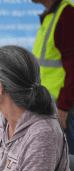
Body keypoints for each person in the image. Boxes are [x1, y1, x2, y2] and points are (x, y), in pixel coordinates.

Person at [32, 0, 74, 155]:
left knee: (67, 167)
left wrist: (64, 106)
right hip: (49, 106)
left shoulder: (67, 14)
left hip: (63, 109)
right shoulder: (50, 16)